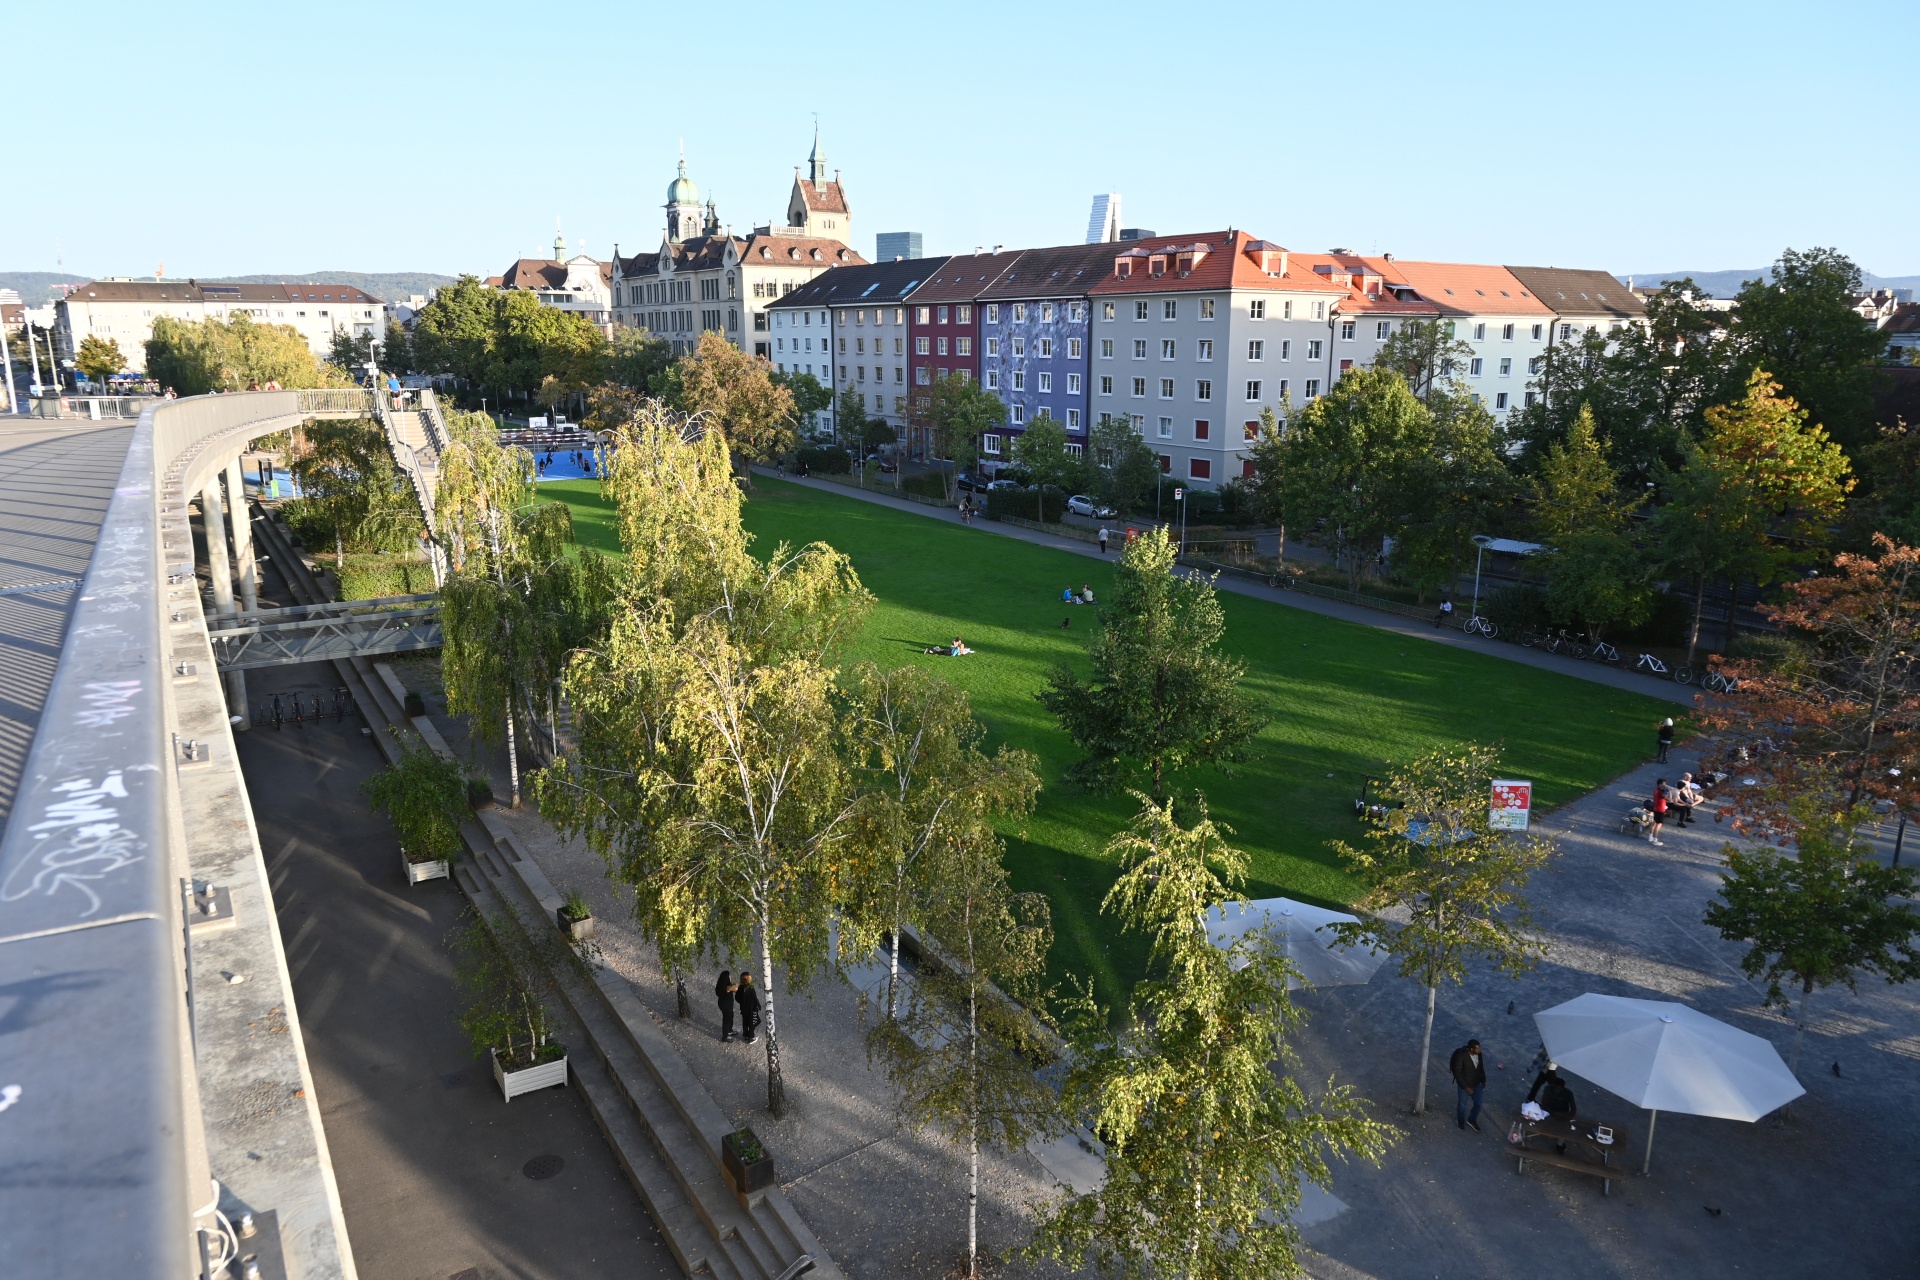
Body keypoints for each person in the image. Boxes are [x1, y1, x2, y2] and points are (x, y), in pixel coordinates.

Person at [1449, 1038, 1487, 1132]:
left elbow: (1481, 1068)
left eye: (1480, 1048)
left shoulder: (1479, 1055)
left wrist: (1483, 1080)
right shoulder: (1461, 1056)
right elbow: (1457, 1073)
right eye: (1477, 1048)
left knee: (1478, 1104)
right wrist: (1466, 1087)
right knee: (1462, 1105)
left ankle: (1471, 1120)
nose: (1480, 1050)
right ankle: (1460, 1120)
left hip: (1476, 1084)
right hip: (1464, 1087)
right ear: (1471, 1049)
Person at [735, 971, 762, 1044]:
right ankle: (751, 1037)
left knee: (745, 1022)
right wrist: (758, 1005)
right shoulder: (751, 987)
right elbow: (754, 998)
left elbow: (737, 997)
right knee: (752, 1022)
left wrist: (742, 1001)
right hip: (751, 1008)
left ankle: (746, 1035)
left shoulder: (741, 987)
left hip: (743, 1008)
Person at [715, 971, 736, 1042]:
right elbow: (736, 989)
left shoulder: (720, 984)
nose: (731, 977)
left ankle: (729, 1030)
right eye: (729, 976)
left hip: (723, 1003)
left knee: (730, 1016)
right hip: (726, 1005)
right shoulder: (727, 987)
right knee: (727, 1020)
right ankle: (725, 1036)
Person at [1648, 779, 1668, 846]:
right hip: (1660, 810)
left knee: (1654, 822)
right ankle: (1655, 840)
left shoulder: (1656, 789)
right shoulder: (1660, 792)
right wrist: (1670, 791)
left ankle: (1650, 836)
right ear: (1660, 784)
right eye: (1664, 784)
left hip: (1656, 808)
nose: (1665, 785)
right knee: (1658, 824)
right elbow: (1668, 798)